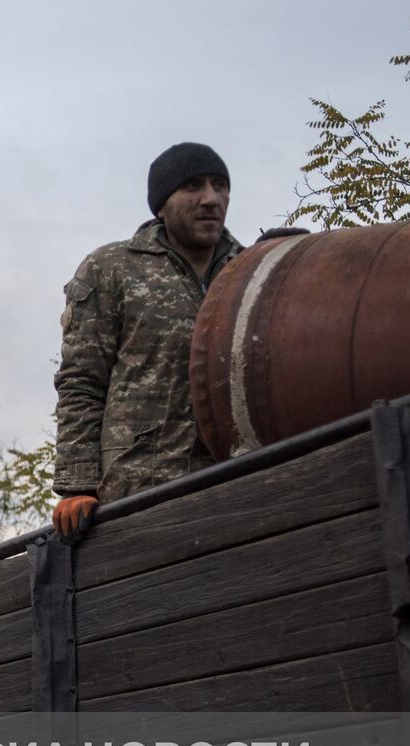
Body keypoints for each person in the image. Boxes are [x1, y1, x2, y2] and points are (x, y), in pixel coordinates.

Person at [50, 142, 242, 541]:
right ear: (161, 205)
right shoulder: (112, 268)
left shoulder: (248, 269)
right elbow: (82, 382)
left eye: (219, 185)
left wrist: (292, 259)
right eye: (193, 186)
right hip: (140, 491)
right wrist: (78, 485)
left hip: (235, 484)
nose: (211, 199)